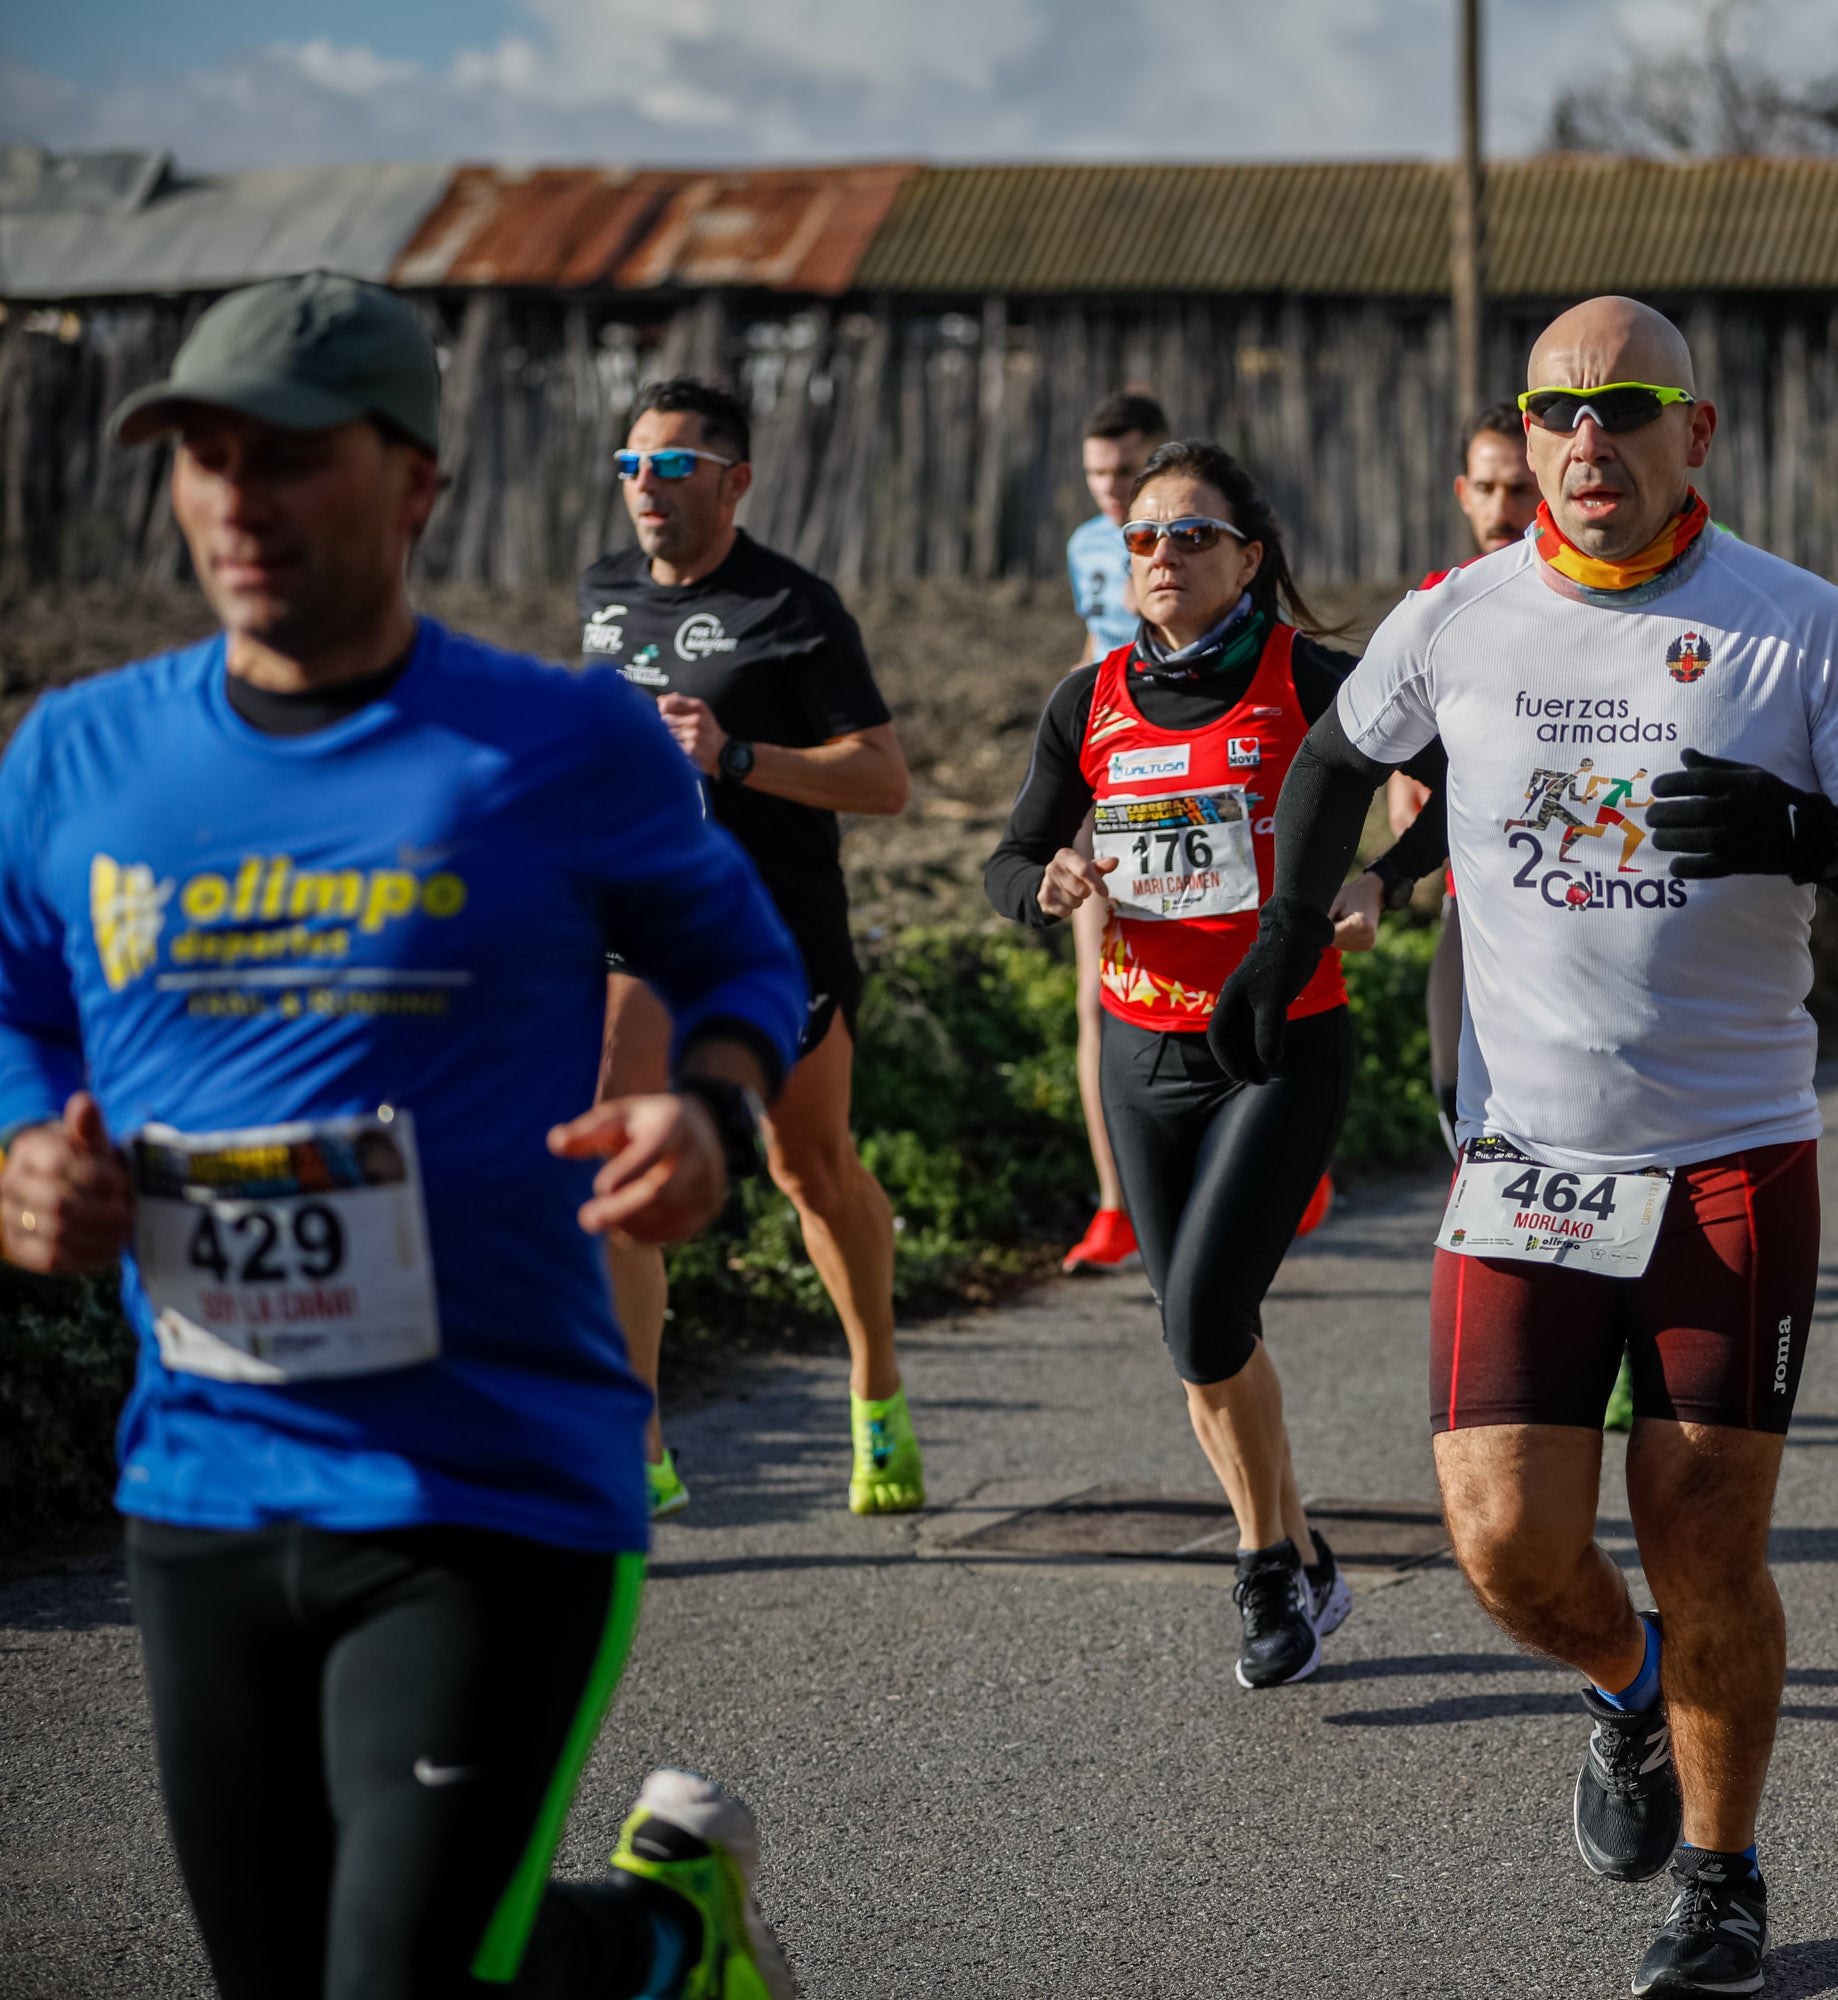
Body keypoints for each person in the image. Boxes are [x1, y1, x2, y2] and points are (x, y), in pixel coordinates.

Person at [0, 274, 804, 1997]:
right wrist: (21, 1145)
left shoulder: (554, 744)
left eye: (290, 455)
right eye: (205, 455)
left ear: (415, 482)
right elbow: (18, 1003)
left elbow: (739, 952)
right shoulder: (79, 756)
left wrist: (712, 1110)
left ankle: (661, 1934)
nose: (240, 498)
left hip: (494, 1483)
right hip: (201, 1477)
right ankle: (672, 1940)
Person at [1213, 296, 1838, 1997]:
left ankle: (1721, 1879)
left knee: (1708, 1545)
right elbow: (1337, 760)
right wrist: (1280, 941)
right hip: (1529, 1160)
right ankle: (1628, 1690)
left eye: (1625, 410)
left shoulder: (1800, 627)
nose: (1587, 442)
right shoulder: (1459, 618)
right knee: (1504, 1550)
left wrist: (1804, 827)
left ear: (1695, 432)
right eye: (1557, 415)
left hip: (1730, 1157)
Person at [984, 440, 1442, 1688]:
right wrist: (1047, 878)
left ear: (1249, 554)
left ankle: (1261, 1569)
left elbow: (1453, 778)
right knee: (1207, 1326)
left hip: (1280, 1039)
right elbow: (1008, 854)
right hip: (1141, 1046)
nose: (1163, 555)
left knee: (1197, 1317)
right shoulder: (1091, 698)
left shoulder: (1312, 676)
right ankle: (1307, 1555)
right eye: (1142, 537)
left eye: (1191, 535)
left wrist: (1386, 878)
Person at [581, 379, 923, 1519]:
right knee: (615, 1159)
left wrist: (733, 757)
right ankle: (638, 1442)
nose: (645, 489)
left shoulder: (794, 605)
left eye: (672, 467)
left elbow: (882, 778)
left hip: (774, 932)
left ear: (735, 480)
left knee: (807, 1169)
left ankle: (874, 1377)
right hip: (635, 930)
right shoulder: (604, 596)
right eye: (630, 467)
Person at [1391, 402, 1545, 1151]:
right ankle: (1460, 1126)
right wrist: (1399, 776)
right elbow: (1388, 725)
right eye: (1485, 489)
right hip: (1476, 878)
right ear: (1462, 492)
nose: (1500, 508)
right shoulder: (1437, 600)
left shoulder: (1581, 597)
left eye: (1518, 489)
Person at [1063, 392, 1169, 1273]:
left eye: (1124, 471)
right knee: (1097, 981)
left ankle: (1286, 1156)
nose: (1108, 491)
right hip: (1107, 761)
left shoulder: (1196, 535)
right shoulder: (1085, 547)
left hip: (1191, 772)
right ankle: (1112, 1203)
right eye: (1095, 473)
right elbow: (1093, 641)